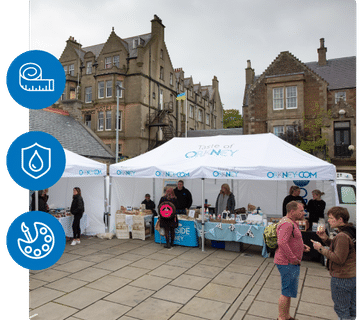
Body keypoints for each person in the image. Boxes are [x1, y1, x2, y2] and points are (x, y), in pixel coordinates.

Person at [312, 207, 356, 320]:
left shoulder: (342, 236)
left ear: (340, 219)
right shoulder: (351, 230)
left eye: (331, 218)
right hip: (353, 275)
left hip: (342, 278)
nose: (329, 221)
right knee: (353, 309)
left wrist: (320, 248)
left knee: (342, 311)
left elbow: (338, 258)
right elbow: (342, 248)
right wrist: (325, 239)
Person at [275, 201, 311, 320]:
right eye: (301, 211)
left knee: (289, 291)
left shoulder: (290, 222)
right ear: (292, 211)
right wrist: (293, 259)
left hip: (289, 262)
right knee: (286, 291)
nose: (303, 213)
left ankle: (286, 316)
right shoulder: (287, 224)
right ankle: (282, 317)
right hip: (287, 263)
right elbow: (281, 242)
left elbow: (291, 239)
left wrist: (302, 246)